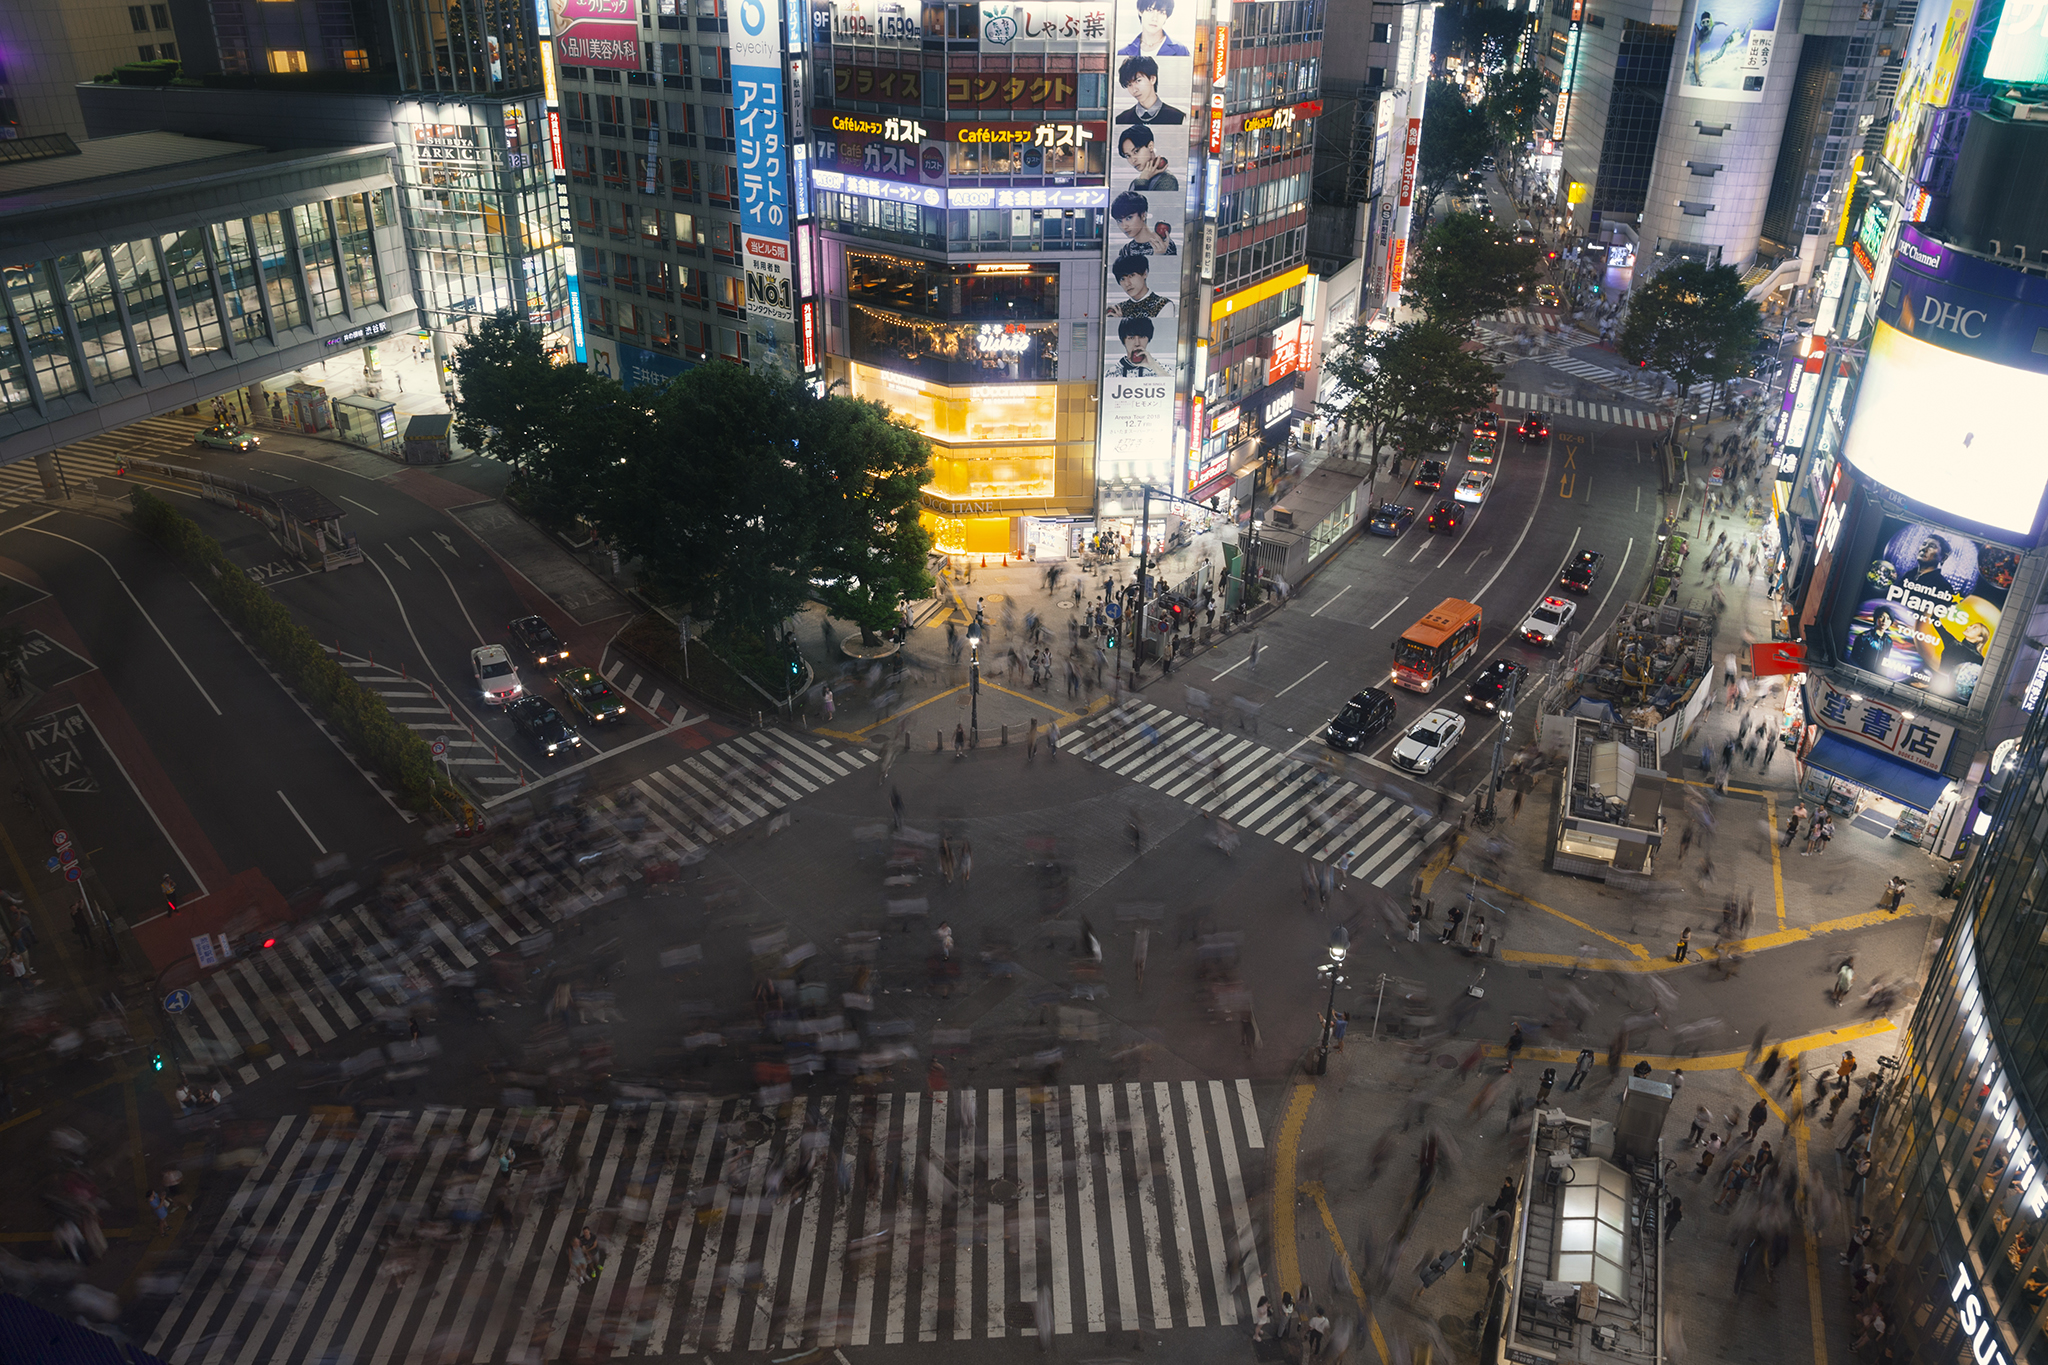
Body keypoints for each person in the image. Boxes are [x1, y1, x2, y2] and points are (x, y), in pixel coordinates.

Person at [1114, 55, 1186, 124]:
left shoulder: (1177, 117)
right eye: (1129, 85)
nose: (1134, 90)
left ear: (1152, 79)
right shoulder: (1122, 119)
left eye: (1138, 81)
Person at [1104, 253, 1174, 319]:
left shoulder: (1163, 305)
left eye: (1131, 276)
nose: (1127, 283)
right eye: (1122, 279)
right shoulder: (1118, 309)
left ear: (1145, 273)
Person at [1110, 189, 1176, 258]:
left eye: (1129, 218)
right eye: (1119, 221)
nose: (1124, 226)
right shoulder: (1126, 250)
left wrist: (1159, 256)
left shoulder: (1165, 245)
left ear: (1143, 215)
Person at [1116, 122, 1180, 190]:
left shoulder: (1167, 180)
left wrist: (1143, 182)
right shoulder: (1135, 183)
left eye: (1136, 151)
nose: (1133, 160)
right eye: (1128, 156)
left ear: (1150, 146)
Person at [1117, 0, 1189, 56]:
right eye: (1150, 10)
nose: (1154, 18)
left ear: (1167, 16)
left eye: (1161, 12)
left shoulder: (1180, 51)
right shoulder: (1124, 53)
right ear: (1140, 12)